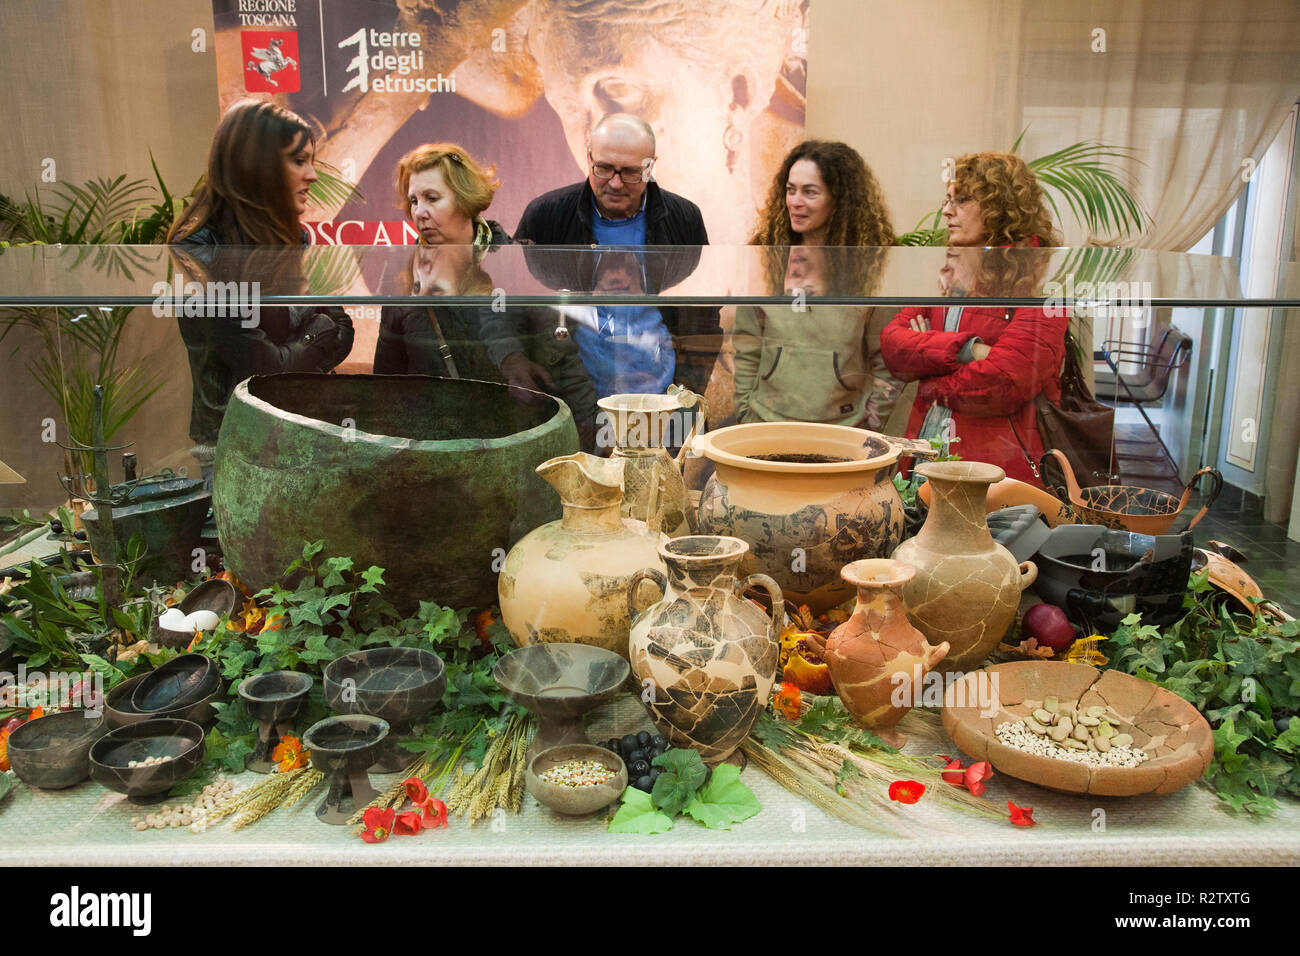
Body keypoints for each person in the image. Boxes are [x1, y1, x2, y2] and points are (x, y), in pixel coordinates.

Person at [167, 99, 354, 482]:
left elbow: (345, 327)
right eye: (298, 161)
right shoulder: (201, 248)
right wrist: (316, 333)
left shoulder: (295, 238)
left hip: (304, 425)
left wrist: (296, 351)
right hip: (237, 442)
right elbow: (259, 370)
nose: (313, 176)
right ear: (257, 165)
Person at [375, 142, 597, 441]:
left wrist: (590, 431)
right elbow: (387, 384)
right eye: (413, 201)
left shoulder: (518, 266)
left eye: (432, 198)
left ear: (465, 199)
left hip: (516, 441)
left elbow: (562, 360)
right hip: (435, 449)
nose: (420, 212)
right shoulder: (404, 276)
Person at [880, 151, 1066, 486]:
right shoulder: (947, 270)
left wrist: (930, 381)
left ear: (1000, 208)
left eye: (962, 200)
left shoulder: (1043, 284)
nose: (946, 210)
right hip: (927, 462)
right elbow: (894, 345)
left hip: (997, 476)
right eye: (947, 199)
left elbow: (1005, 381)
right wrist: (970, 351)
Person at [514, 113, 719, 400]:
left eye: (631, 172)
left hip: (663, 390)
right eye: (604, 168)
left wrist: (686, 389)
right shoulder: (546, 216)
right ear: (589, 158)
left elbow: (704, 313)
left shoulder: (684, 219)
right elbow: (518, 304)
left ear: (651, 167)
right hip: (572, 392)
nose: (616, 183)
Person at [731, 141, 903, 429]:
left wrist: (871, 422)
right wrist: (747, 412)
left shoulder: (871, 262)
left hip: (843, 429)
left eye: (810, 192)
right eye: (790, 189)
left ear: (839, 199)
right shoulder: (766, 253)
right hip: (766, 423)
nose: (795, 201)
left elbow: (887, 359)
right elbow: (748, 346)